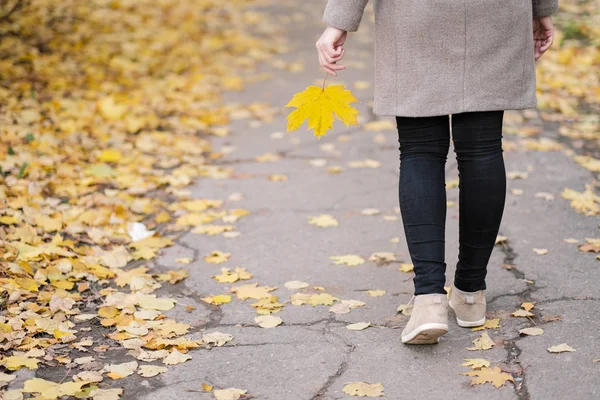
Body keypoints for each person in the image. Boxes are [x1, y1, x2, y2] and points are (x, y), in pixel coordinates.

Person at [316, 0, 557, 345]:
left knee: (420, 150)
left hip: (416, 13)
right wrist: (542, 8)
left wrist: (338, 22)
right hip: (495, 12)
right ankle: (471, 293)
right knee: (483, 149)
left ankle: (429, 299)